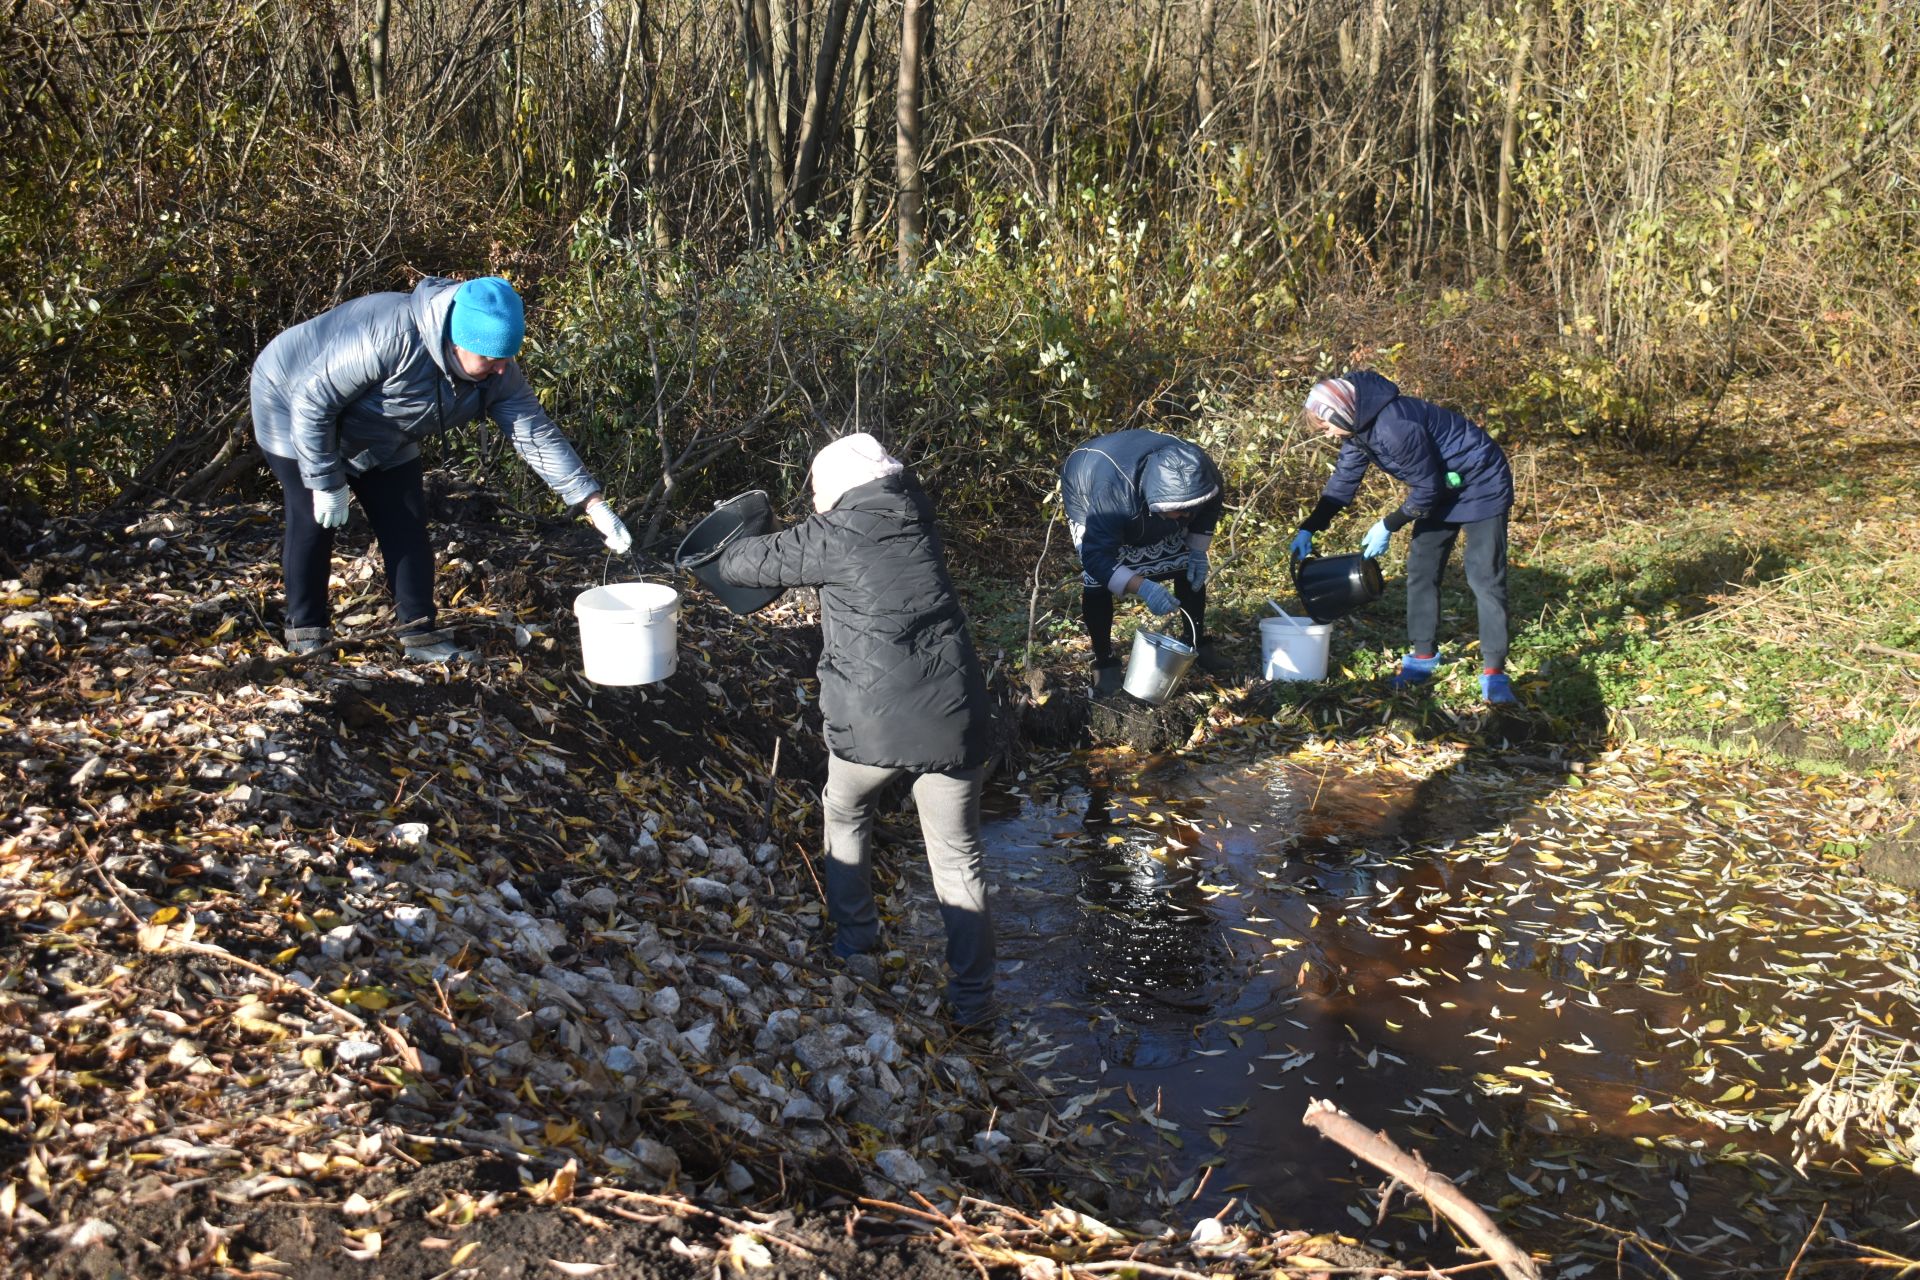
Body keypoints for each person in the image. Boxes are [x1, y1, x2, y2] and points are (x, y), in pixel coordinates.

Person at [714, 433, 998, 1027]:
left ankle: (855, 941)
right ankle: (973, 1005)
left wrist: (748, 528)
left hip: (875, 726)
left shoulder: (834, 534)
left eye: (819, 491)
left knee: (844, 809)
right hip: (955, 717)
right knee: (957, 859)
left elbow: (739, 563)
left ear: (837, 487)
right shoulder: (917, 514)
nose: (817, 501)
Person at [251, 275, 632, 661]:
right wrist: (326, 481)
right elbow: (313, 401)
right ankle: (306, 633)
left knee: (406, 521)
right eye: (490, 359)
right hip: (290, 402)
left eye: (506, 358)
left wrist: (592, 503)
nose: (501, 369)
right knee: (312, 518)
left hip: (385, 428)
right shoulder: (390, 338)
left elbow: (537, 436)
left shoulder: (498, 374)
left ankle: (418, 633)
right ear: (456, 342)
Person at [1291, 372, 1518, 704]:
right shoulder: (1357, 431)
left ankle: (1495, 673)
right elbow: (1343, 482)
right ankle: (1423, 657)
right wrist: (1310, 526)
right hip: (1440, 487)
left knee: (1484, 576)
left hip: (1481, 482)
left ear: (1340, 413)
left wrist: (1388, 524)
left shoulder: (1392, 426)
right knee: (1422, 571)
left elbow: (1427, 489)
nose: (1327, 435)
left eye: (1326, 427)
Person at [1060, 429, 1227, 695]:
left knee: (1184, 563)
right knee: (1097, 582)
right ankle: (1105, 664)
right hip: (1087, 482)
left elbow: (1209, 506)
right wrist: (1144, 587)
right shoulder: (1112, 497)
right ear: (1156, 502)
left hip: (1144, 501)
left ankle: (1196, 643)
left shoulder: (1201, 473)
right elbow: (1096, 558)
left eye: (1191, 508)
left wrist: (1197, 551)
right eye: (1180, 509)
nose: (1187, 515)